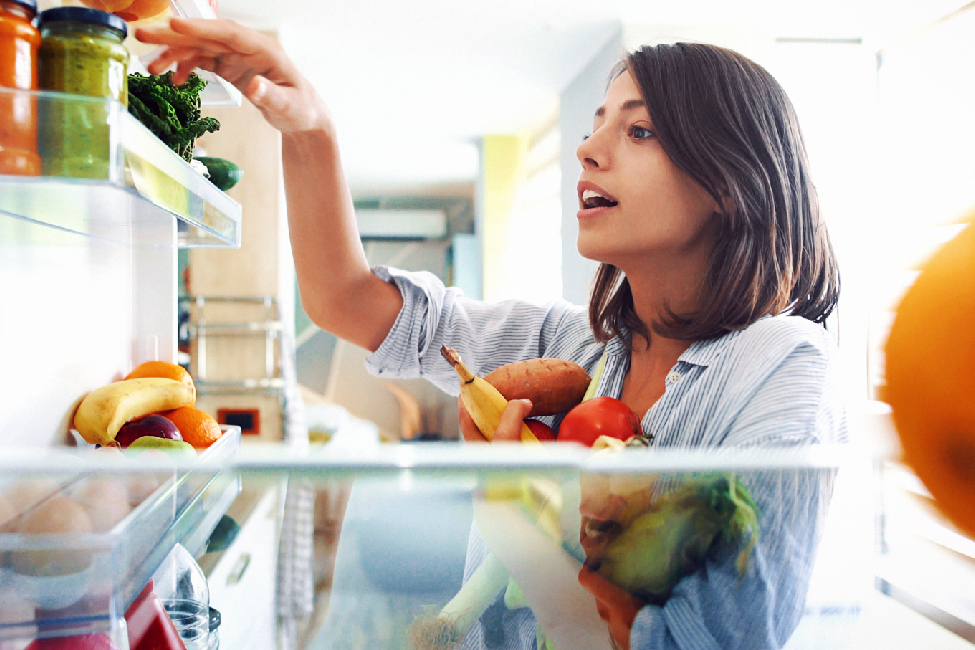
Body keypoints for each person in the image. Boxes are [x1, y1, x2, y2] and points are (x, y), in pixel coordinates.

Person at [137, 20, 845, 650]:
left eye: (638, 130)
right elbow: (346, 300)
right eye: (596, 123)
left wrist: (511, 511)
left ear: (730, 180)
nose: (588, 148)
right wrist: (308, 125)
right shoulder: (572, 347)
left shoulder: (781, 366)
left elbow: (707, 641)